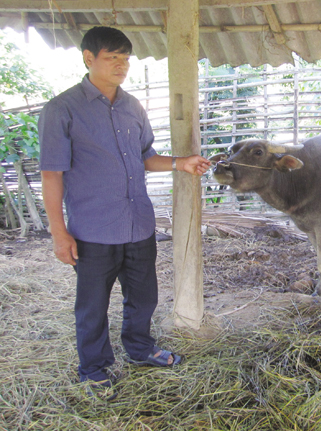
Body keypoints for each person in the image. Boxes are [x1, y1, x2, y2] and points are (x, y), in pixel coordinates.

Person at [39, 26, 212, 400]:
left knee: (144, 296)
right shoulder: (62, 109)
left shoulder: (133, 106)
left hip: (138, 224)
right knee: (92, 306)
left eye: (125, 59)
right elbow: (51, 174)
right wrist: (59, 232)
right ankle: (94, 368)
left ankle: (139, 348)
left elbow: (146, 157)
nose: (121, 65)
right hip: (93, 229)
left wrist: (182, 163)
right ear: (89, 58)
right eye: (111, 58)